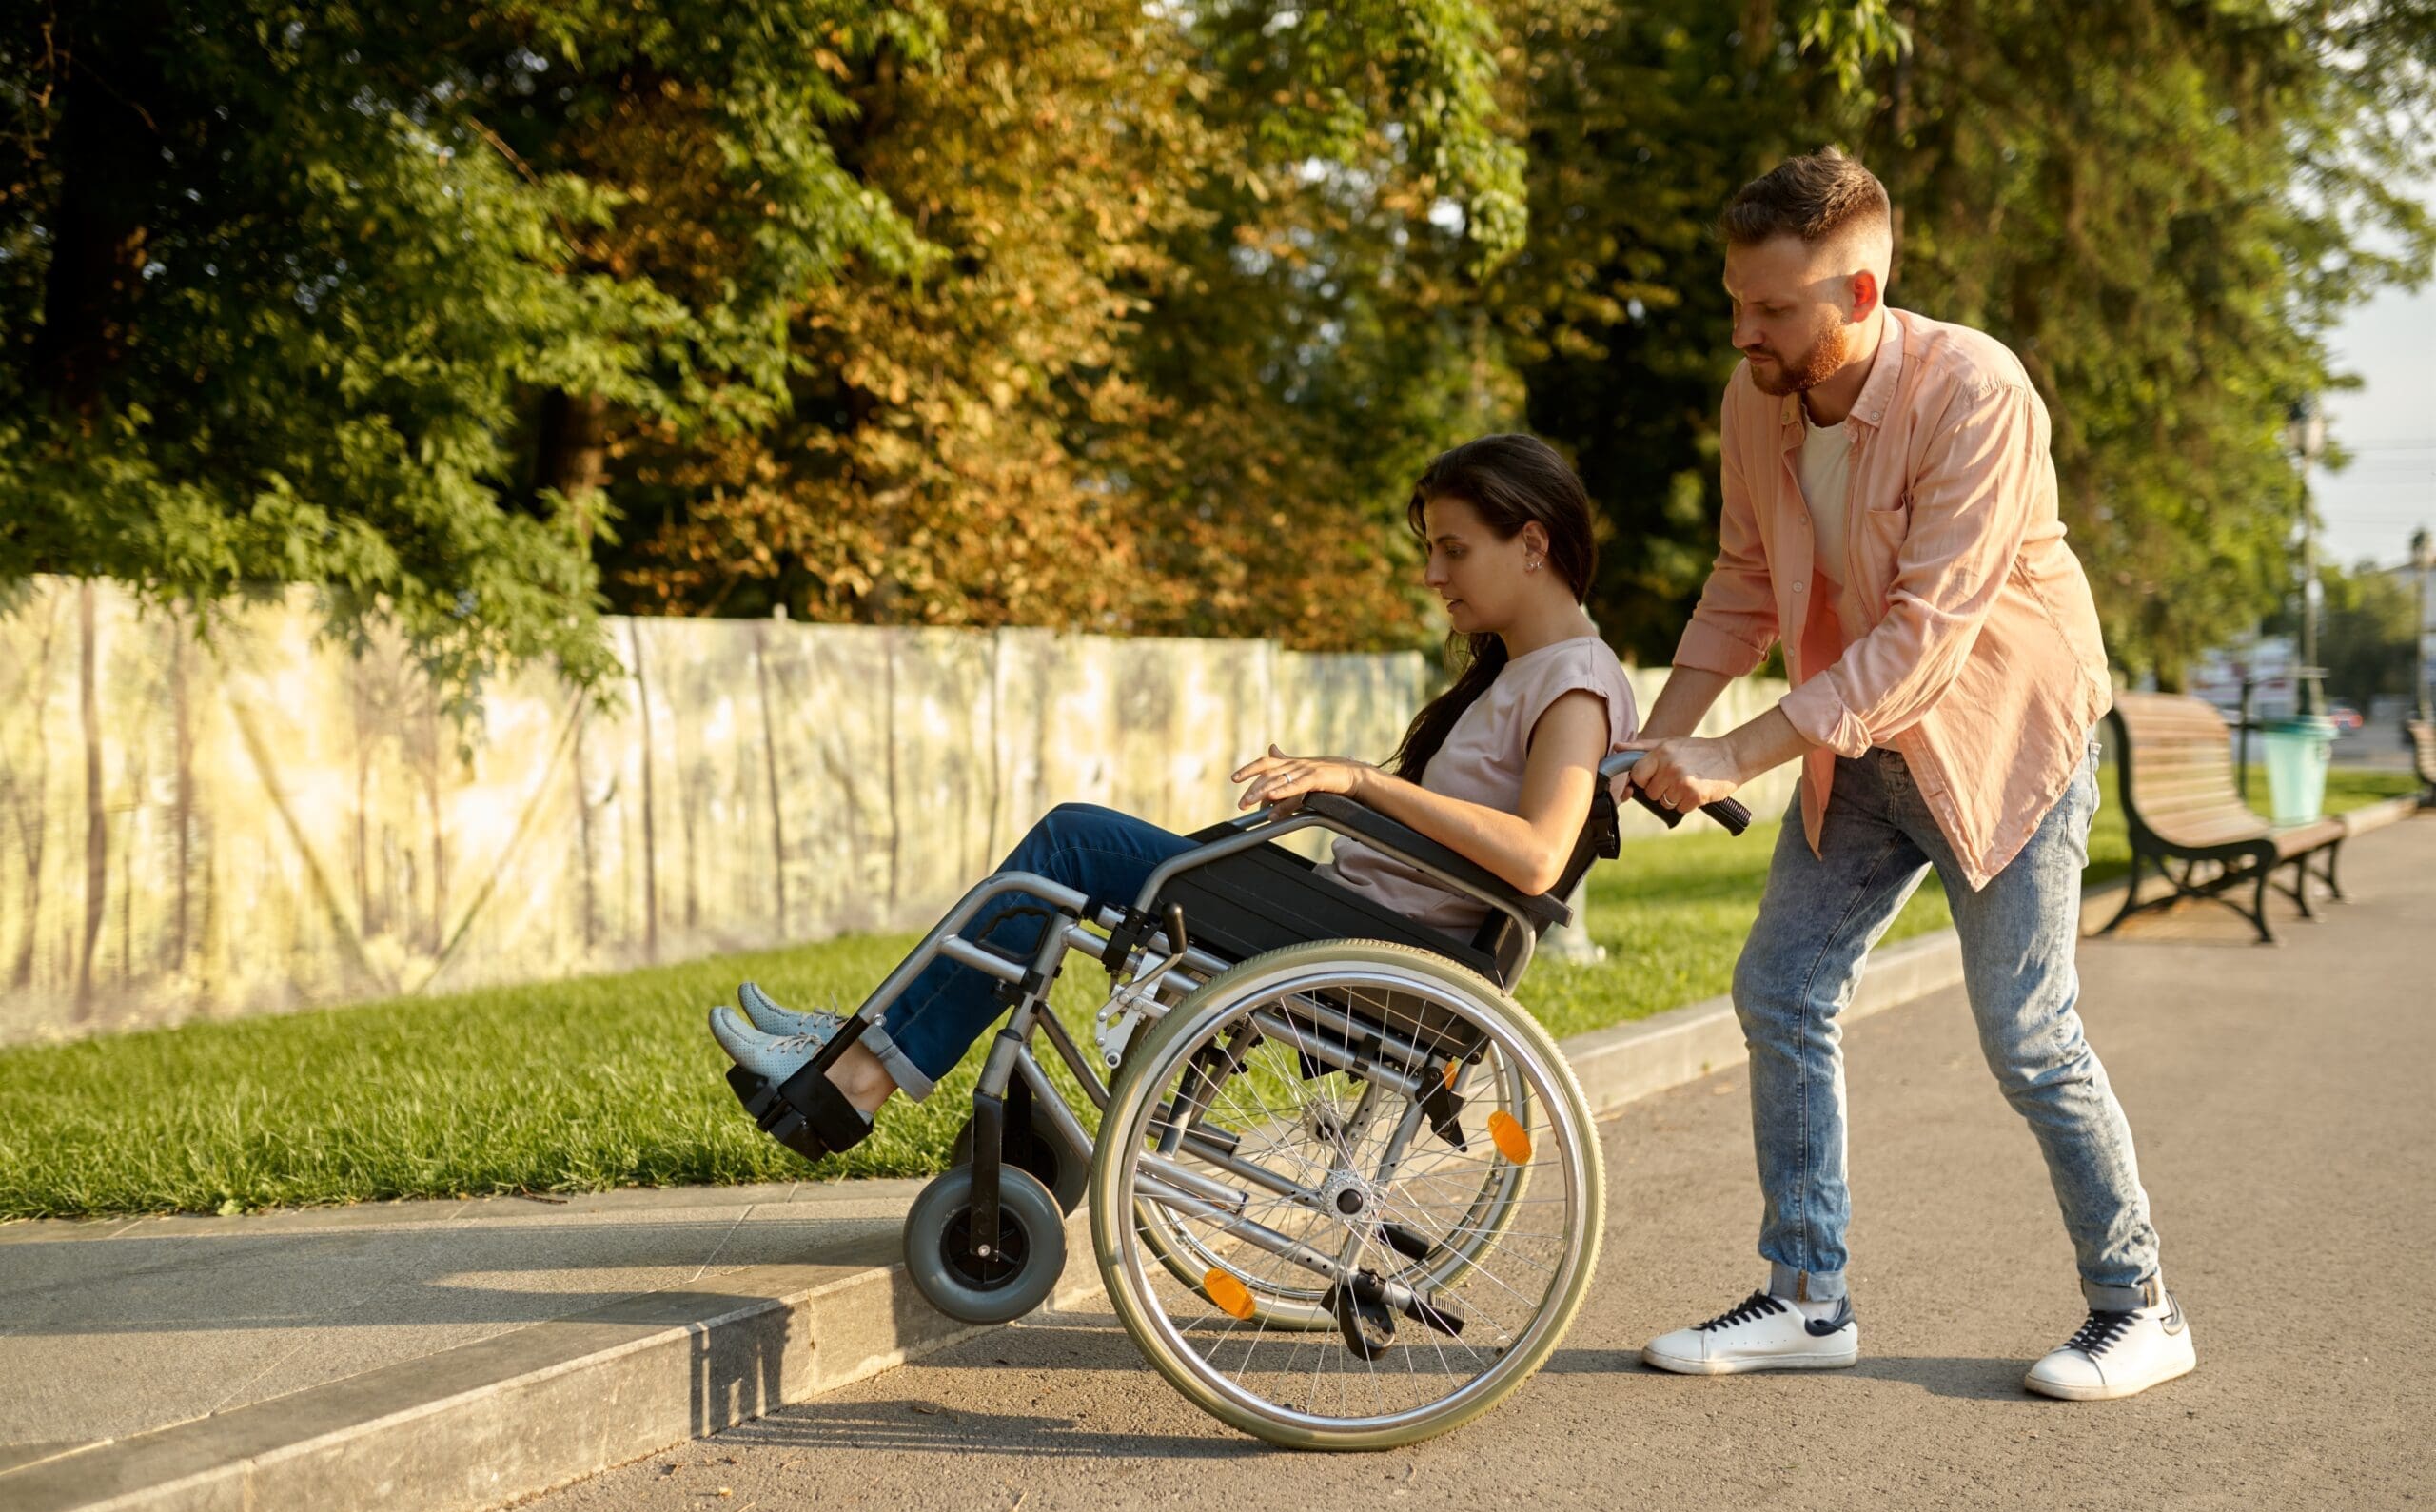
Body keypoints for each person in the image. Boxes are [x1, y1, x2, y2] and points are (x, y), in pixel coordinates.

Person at [1625, 149, 2192, 1401]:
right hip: (1855, 745)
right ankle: (1807, 1295)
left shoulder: (1976, 392)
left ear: (1862, 294)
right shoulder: (1755, 397)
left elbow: (1923, 641)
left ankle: (2139, 1303)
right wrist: (1650, 742)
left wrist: (1732, 751)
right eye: (1736, 300)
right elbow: (1739, 588)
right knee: (1780, 988)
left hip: (1999, 741)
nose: (1745, 330)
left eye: (1772, 308)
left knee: (2031, 1039)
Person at [710, 434, 1640, 1166]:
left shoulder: (1573, 681)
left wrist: (1359, 782)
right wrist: (1341, 802)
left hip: (1371, 948)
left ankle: (858, 1071)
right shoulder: (1525, 672)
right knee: (1060, 869)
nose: (1432, 574)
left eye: (1452, 548)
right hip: (1352, 922)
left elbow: (1533, 856)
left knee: (1070, 846)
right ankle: (861, 1042)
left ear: (1531, 543)